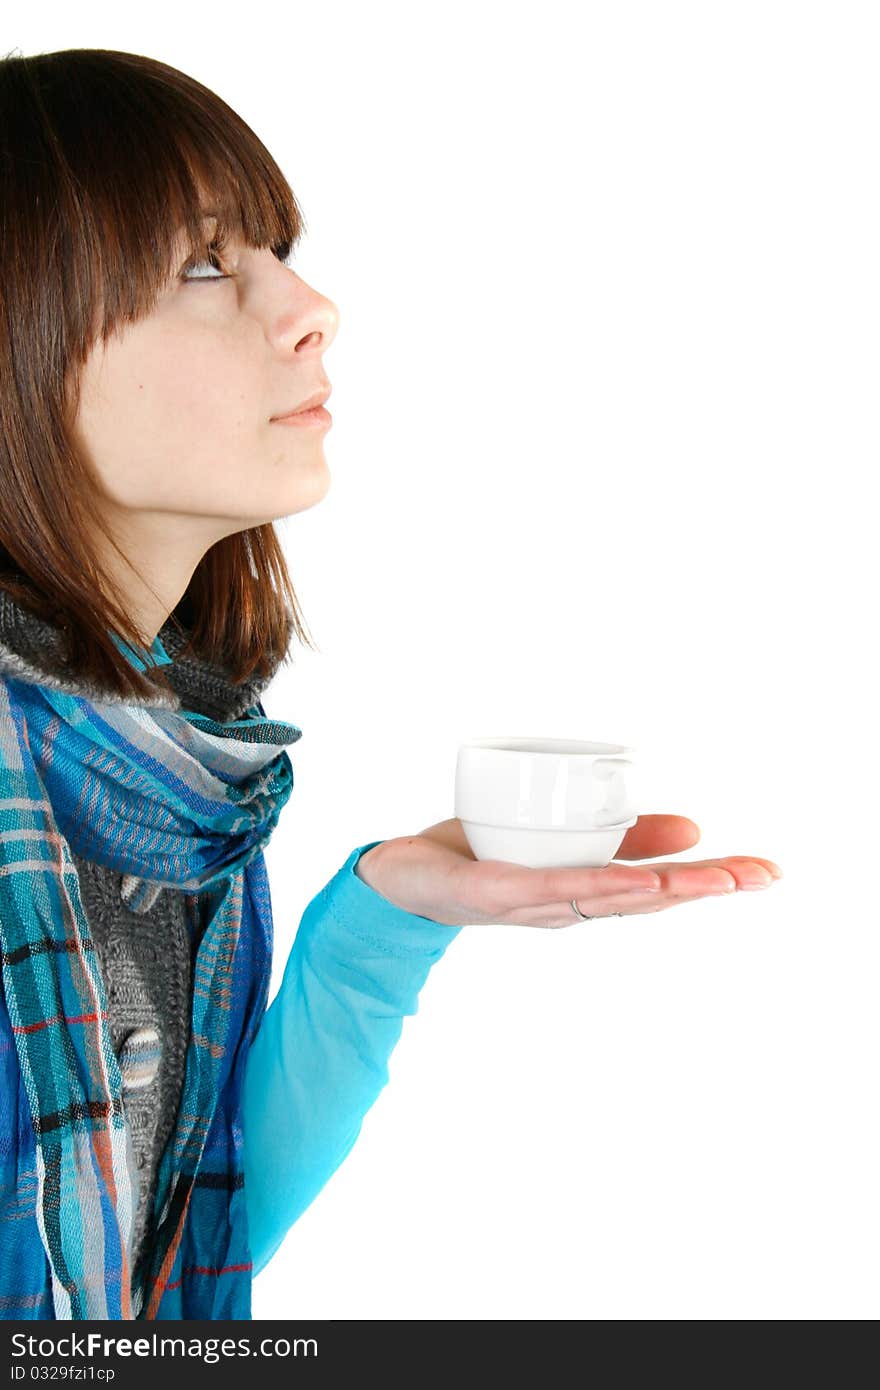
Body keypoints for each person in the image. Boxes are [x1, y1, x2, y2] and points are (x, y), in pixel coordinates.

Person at [0, 47, 782, 1322]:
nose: (312, 308)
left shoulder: (181, 776)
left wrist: (375, 934)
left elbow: (173, 1244)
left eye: (273, 253)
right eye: (206, 264)